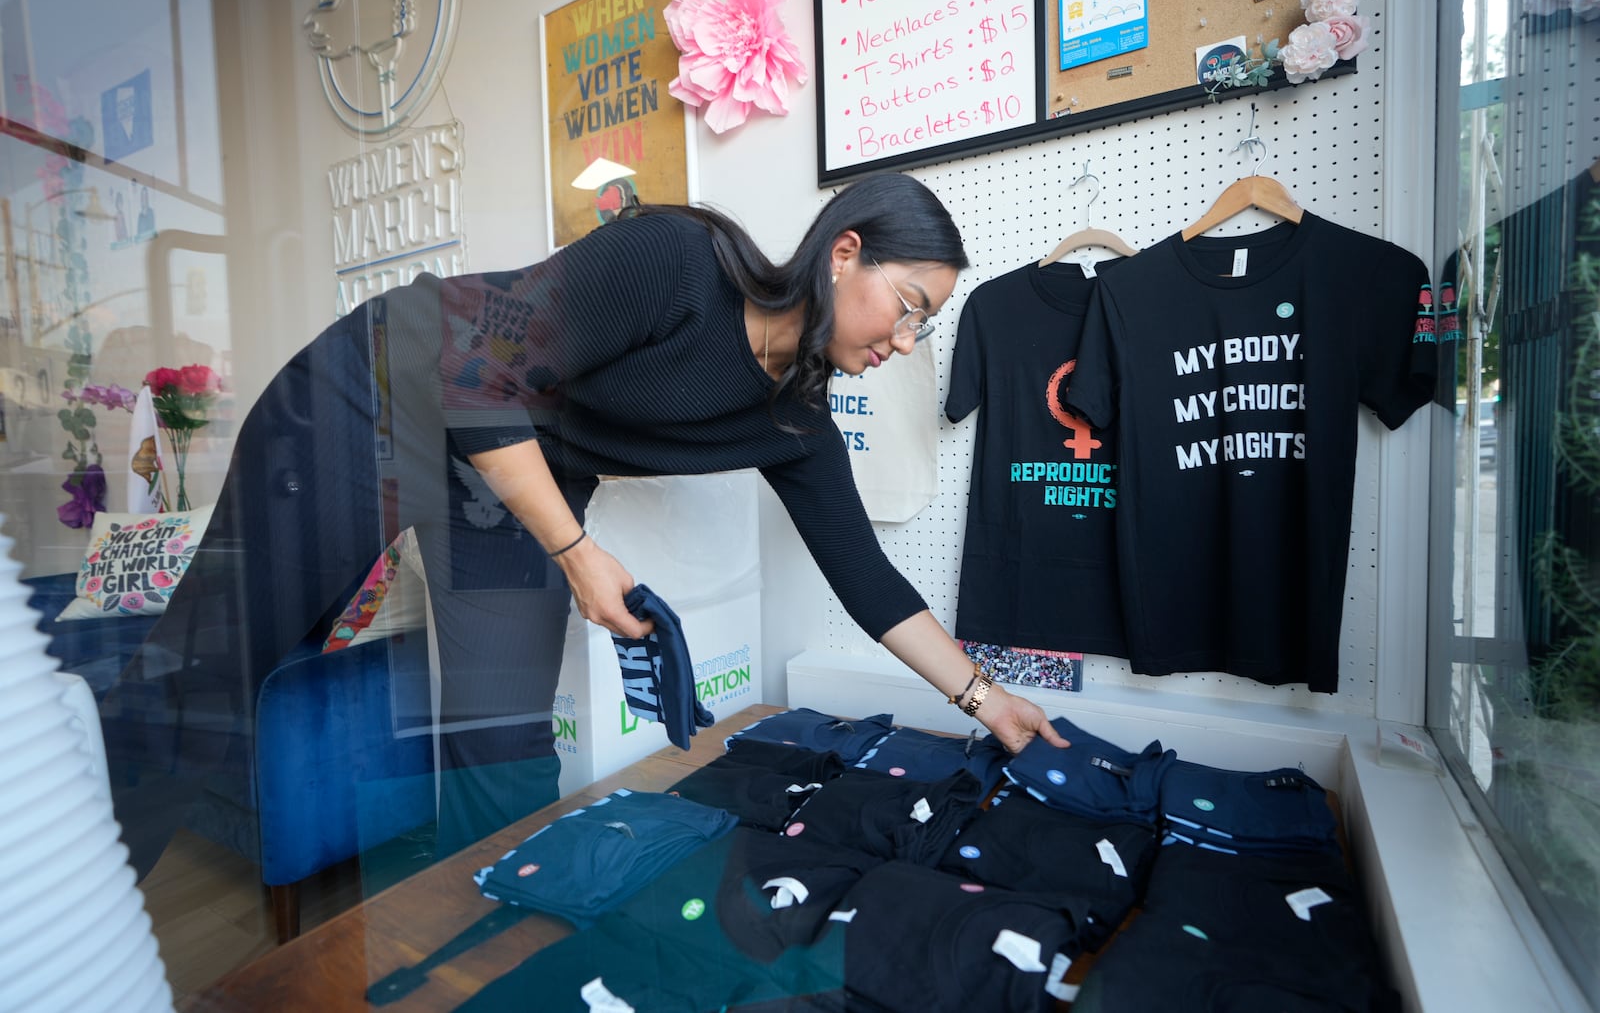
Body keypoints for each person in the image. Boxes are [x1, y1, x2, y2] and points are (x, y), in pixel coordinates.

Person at [113, 172, 1066, 876]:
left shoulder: (796, 422)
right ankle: (63, 900)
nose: (902, 343)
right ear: (844, 249)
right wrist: (575, 551)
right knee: (209, 674)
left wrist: (987, 700)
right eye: (905, 308)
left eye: (923, 328)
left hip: (508, 472)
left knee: (503, 732)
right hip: (368, 400)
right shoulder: (679, 259)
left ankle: (491, 950)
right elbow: (473, 369)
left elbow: (867, 578)